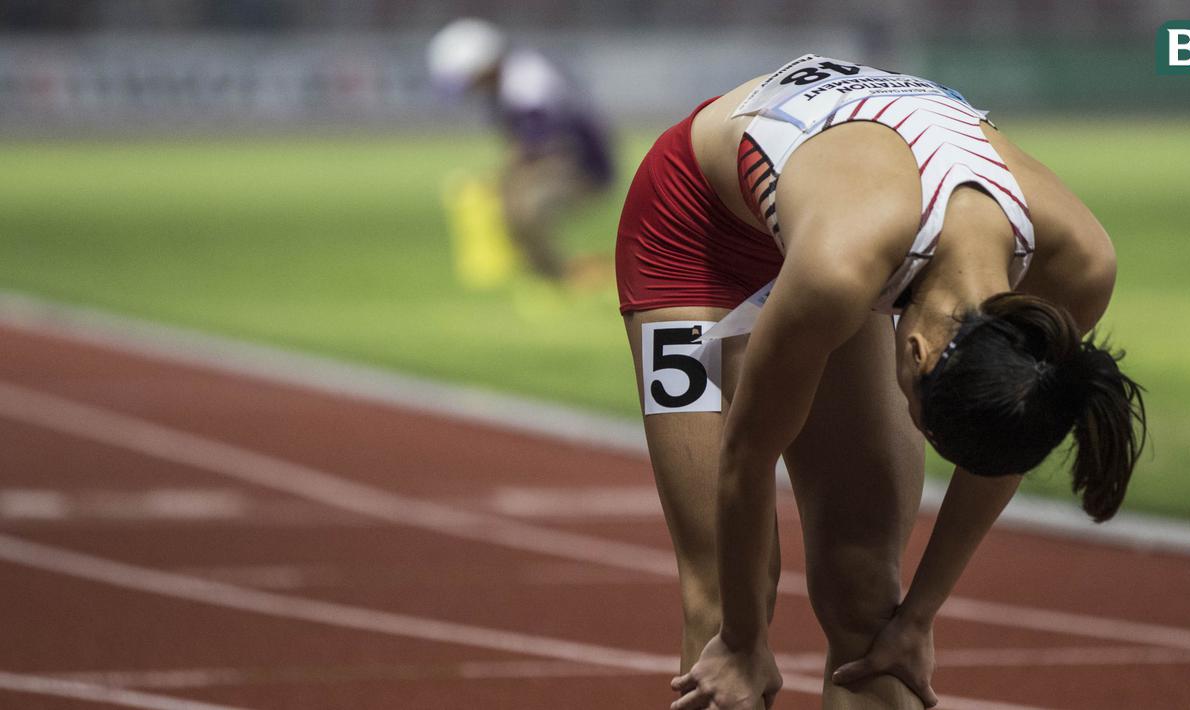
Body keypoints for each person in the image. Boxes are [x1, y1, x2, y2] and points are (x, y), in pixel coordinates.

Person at [614, 54, 1146, 709]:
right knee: (720, 593)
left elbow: (1005, 439)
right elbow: (746, 455)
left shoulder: (1074, 270)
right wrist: (743, 640)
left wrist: (917, 617)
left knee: (866, 594)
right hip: (692, 227)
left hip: (853, 225)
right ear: (918, 351)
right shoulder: (840, 271)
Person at [427, 18, 614, 285]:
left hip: (582, 168)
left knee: (525, 208)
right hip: (562, 163)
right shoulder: (510, 81)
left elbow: (539, 141)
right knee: (512, 206)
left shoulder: (525, 78)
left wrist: (502, 174)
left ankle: (562, 278)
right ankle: (555, 275)